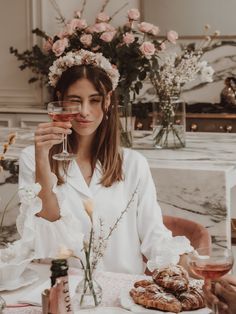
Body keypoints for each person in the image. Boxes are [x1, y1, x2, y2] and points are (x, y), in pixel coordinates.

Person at [17, 49, 192, 274]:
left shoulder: (133, 164)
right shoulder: (32, 158)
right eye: (74, 100)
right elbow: (44, 232)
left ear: (108, 101)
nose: (84, 112)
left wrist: (196, 268)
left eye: (95, 100)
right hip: (61, 287)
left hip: (124, 295)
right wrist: (42, 158)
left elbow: (154, 236)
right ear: (59, 98)